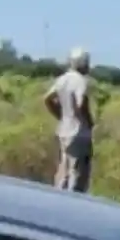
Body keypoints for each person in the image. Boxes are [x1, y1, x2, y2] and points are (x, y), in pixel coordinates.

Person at [43, 47, 95, 193]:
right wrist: (88, 120)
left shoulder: (62, 79)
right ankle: (75, 205)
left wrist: (60, 115)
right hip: (79, 132)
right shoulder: (80, 81)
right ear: (83, 63)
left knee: (63, 170)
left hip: (63, 130)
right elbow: (81, 102)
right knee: (78, 172)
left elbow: (47, 99)